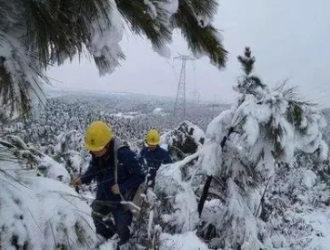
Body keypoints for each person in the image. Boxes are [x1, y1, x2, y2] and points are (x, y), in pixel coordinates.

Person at [71, 121, 145, 247]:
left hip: (120, 201)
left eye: (98, 151)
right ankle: (106, 236)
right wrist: (82, 180)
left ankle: (122, 244)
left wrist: (122, 187)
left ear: (107, 144)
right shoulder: (97, 152)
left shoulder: (123, 154)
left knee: (122, 229)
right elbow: (94, 168)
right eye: (93, 150)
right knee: (92, 216)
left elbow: (140, 176)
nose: (95, 153)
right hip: (103, 195)